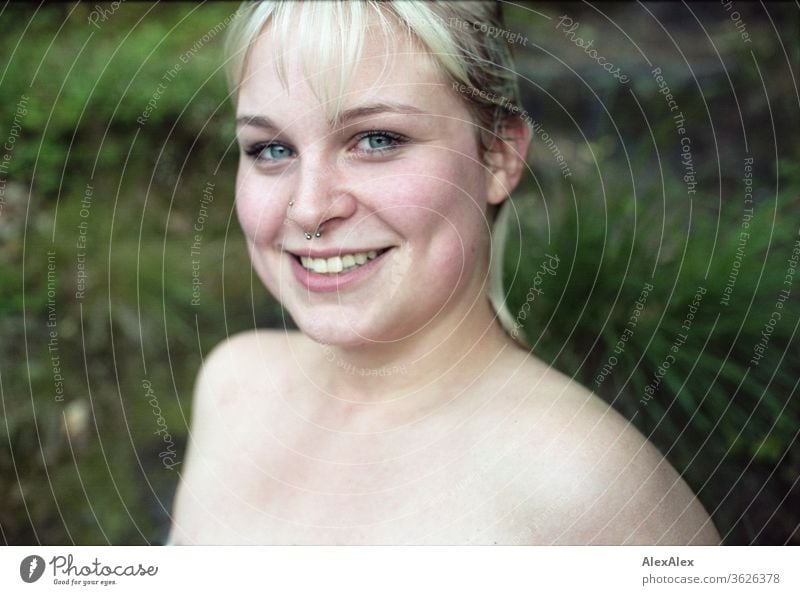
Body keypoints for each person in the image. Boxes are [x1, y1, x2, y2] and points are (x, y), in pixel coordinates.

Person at [168, 0, 720, 545]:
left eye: (377, 139)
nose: (309, 208)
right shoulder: (232, 387)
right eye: (270, 148)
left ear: (498, 156)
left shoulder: (583, 485)